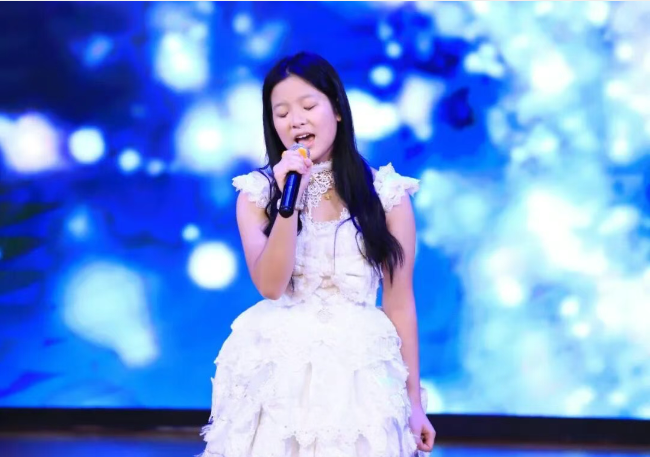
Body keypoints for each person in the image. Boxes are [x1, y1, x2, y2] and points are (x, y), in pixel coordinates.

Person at [199, 52, 436, 457]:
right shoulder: (257, 195)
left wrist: (414, 403)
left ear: (338, 110)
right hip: (279, 374)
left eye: (308, 106)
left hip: (359, 374)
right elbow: (271, 285)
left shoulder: (387, 195)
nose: (296, 121)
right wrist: (287, 203)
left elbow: (400, 304)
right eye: (282, 113)